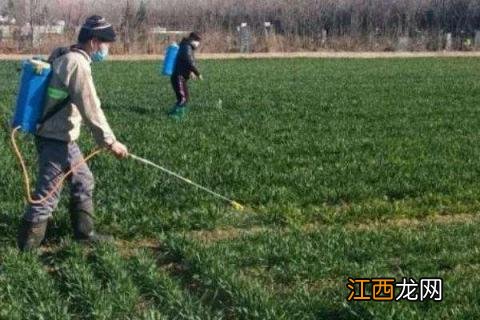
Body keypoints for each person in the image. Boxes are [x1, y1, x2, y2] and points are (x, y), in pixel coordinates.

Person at [17, 15, 129, 251]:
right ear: (94, 42)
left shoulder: (64, 53)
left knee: (83, 180)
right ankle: (24, 252)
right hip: (56, 138)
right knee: (47, 195)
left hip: (63, 137)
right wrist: (110, 142)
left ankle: (85, 234)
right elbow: (91, 107)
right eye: (106, 44)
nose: (107, 49)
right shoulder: (77, 63)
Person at [168, 32, 203, 120]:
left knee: (183, 98)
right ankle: (175, 116)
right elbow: (189, 62)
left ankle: (174, 113)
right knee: (183, 99)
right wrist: (198, 73)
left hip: (179, 77)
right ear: (192, 40)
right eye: (197, 41)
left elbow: (185, 63)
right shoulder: (186, 48)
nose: (198, 44)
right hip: (178, 77)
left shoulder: (186, 46)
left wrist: (190, 72)